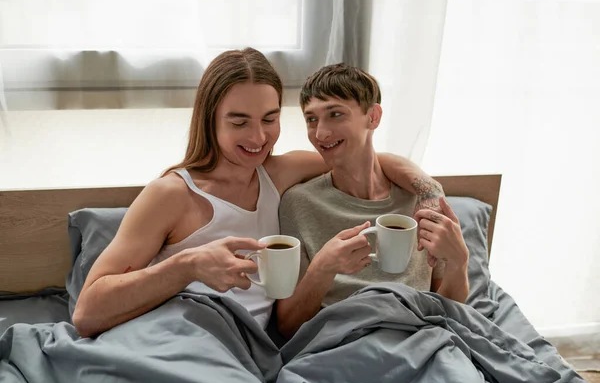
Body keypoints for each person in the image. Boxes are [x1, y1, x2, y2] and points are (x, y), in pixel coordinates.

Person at [72, 49, 435, 339]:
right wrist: (188, 265)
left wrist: (430, 192)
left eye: (269, 119)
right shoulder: (171, 194)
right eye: (239, 121)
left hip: (243, 348)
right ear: (210, 119)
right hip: (174, 331)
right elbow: (87, 313)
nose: (259, 137)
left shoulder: (280, 173)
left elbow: (369, 157)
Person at [277, 64, 470, 338]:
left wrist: (459, 262)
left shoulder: (423, 200)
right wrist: (323, 269)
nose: (320, 133)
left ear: (373, 117)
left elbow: (449, 313)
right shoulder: (299, 203)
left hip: (420, 342)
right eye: (311, 119)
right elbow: (286, 327)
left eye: (335, 114)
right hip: (342, 346)